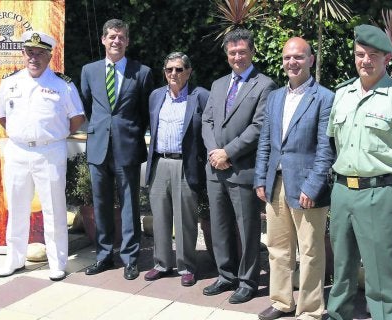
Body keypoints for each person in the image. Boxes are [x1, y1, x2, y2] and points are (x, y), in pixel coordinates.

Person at [326, 25, 392, 320]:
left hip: (380, 194)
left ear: (387, 58)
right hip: (342, 192)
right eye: (360, 54)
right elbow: (335, 140)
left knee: (381, 275)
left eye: (373, 55)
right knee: (342, 270)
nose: (365, 60)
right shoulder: (342, 94)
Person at [0, 31, 85, 281]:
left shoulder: (62, 84)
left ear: (50, 56)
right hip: (18, 150)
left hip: (50, 151)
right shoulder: (10, 82)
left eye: (40, 53)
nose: (34, 58)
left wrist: (53, 134)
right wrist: (19, 133)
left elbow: (77, 118)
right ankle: (15, 259)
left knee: (54, 208)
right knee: (17, 206)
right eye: (30, 52)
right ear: (23, 54)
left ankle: (57, 261)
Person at [254, 37, 334, 320]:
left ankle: (311, 309)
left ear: (310, 60)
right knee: (277, 247)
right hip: (275, 184)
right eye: (288, 57)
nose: (292, 62)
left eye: (299, 57)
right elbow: (266, 141)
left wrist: (313, 186)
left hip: (307, 188)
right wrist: (260, 179)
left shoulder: (325, 97)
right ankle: (281, 301)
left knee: (311, 251)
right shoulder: (275, 97)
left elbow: (326, 149)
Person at [201, 28, 277, 304]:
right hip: (215, 168)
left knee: (247, 229)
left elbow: (259, 126)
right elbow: (207, 121)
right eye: (232, 52)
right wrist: (213, 152)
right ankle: (226, 275)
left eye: (242, 51)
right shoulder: (219, 84)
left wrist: (228, 153)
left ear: (252, 52)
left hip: (241, 169)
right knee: (219, 225)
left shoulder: (264, 85)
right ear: (227, 55)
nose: (237, 56)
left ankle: (247, 281)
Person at [80, 19, 154, 280]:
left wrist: (129, 131)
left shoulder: (141, 72)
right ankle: (103, 256)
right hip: (99, 146)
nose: (116, 41)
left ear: (127, 41)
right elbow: (89, 106)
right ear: (103, 39)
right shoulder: (89, 71)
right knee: (100, 204)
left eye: (121, 37)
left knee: (129, 204)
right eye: (112, 36)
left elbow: (145, 112)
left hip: (127, 147)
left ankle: (131, 258)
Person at [143, 52, 209, 287]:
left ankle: (186, 266)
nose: (174, 74)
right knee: (159, 216)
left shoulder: (199, 96)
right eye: (169, 69)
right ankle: (161, 263)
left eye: (179, 69)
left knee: (185, 219)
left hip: (185, 164)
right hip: (159, 162)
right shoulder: (155, 96)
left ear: (188, 72)